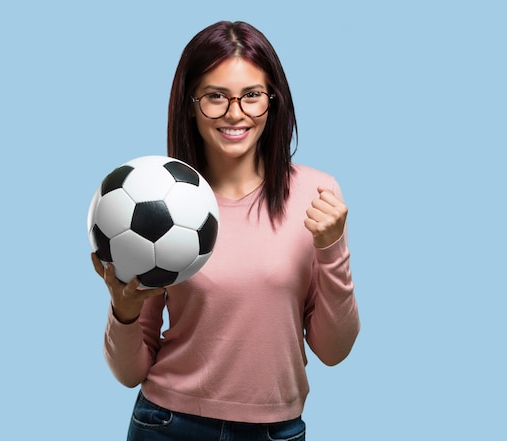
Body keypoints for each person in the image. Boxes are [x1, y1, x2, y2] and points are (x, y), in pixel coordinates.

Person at [92, 20, 360, 441]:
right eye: (216, 97)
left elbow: (333, 351)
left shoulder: (317, 194)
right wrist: (122, 311)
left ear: (273, 102)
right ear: (190, 104)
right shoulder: (153, 201)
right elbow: (130, 374)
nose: (235, 114)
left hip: (276, 430)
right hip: (167, 424)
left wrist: (332, 250)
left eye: (252, 96)